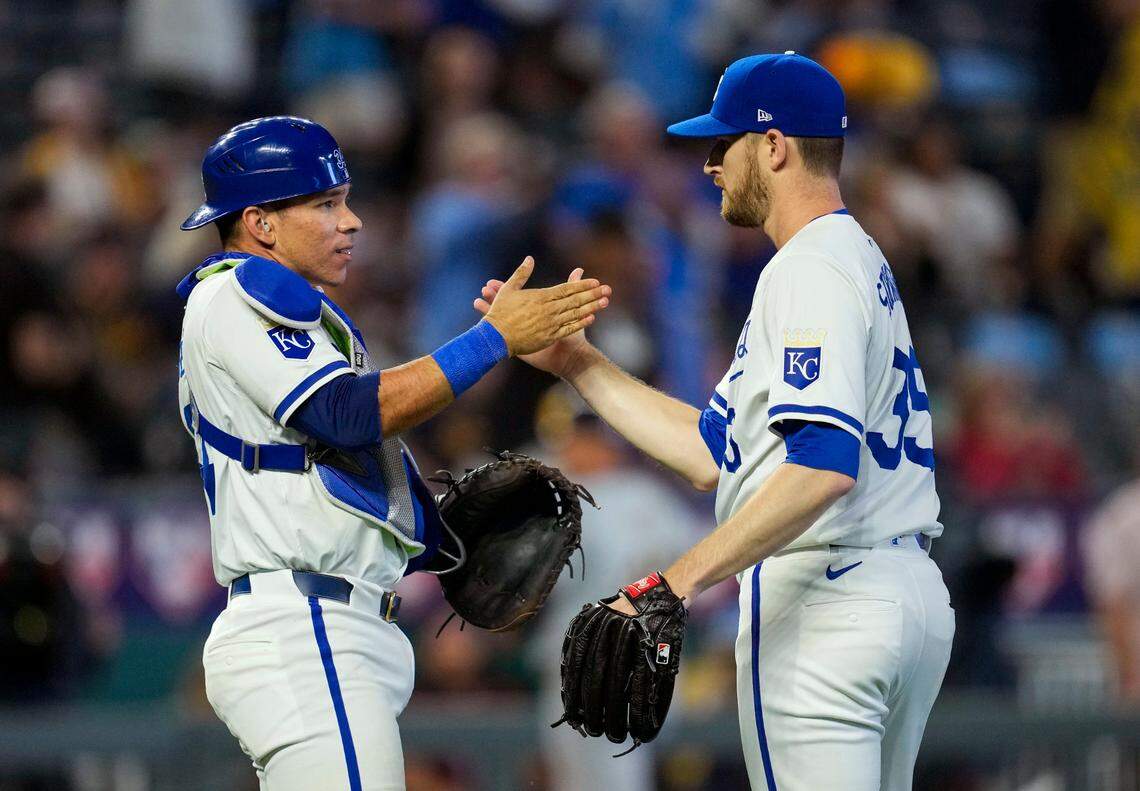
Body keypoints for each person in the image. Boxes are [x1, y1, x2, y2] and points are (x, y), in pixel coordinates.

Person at [476, 53, 955, 790]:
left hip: (827, 597)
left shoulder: (809, 268)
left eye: (721, 143)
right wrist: (580, 365)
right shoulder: (849, 259)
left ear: (774, 146)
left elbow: (825, 463)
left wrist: (676, 580)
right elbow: (713, 453)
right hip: (894, 591)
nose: (707, 166)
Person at [175, 116, 610, 790]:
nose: (350, 222)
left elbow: (335, 457)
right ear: (260, 223)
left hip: (335, 625)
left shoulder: (298, 316)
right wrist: (491, 340)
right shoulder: (230, 295)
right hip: (305, 625)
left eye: (345, 200)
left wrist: (441, 543)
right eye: (324, 204)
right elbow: (348, 413)